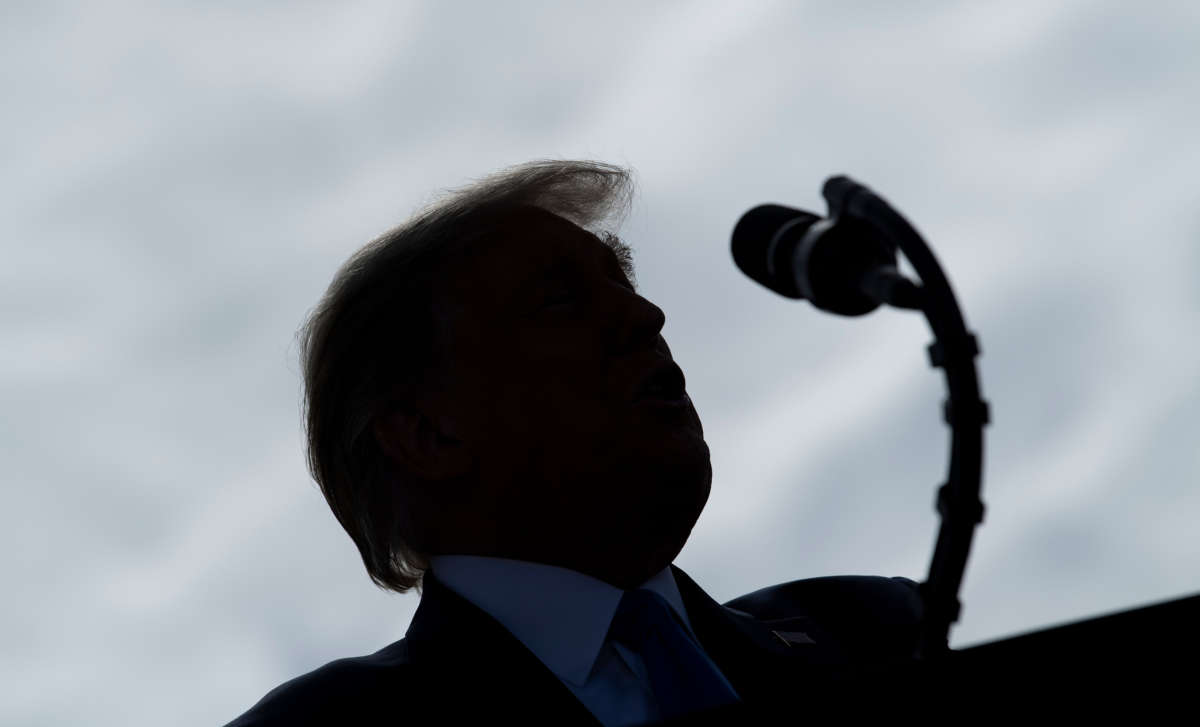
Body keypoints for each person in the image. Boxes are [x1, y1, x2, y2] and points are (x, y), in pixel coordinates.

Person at [224, 160, 923, 726]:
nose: (645, 315)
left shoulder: (878, 628)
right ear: (426, 431)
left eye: (621, 284)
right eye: (558, 302)